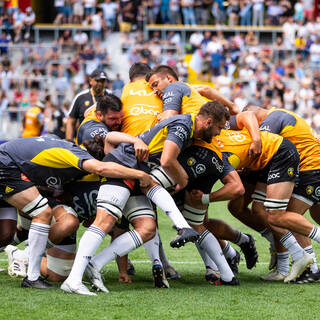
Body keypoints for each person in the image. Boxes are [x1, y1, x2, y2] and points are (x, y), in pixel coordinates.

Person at [61, 101, 228, 295]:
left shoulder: (188, 129)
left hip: (138, 173)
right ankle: (73, 280)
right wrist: (182, 177)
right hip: (124, 165)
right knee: (103, 222)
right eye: (219, 128)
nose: (219, 133)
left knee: (147, 228)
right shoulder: (184, 126)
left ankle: (94, 265)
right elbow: (166, 160)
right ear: (208, 122)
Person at [0, 135, 152, 289]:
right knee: (44, 213)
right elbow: (100, 166)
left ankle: (20, 252)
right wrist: (140, 174)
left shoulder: (71, 160)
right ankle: (28, 268)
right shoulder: (78, 157)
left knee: (6, 235)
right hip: (7, 166)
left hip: (19, 175)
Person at [66, 69, 110, 141]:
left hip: (105, 141)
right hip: (84, 141)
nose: (100, 83)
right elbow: (71, 121)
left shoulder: (110, 96)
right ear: (90, 80)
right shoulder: (80, 97)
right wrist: (69, 142)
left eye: (102, 81)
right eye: (97, 80)